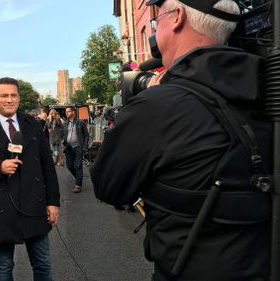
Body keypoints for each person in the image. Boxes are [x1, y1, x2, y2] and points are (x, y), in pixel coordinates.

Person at [91, 0, 271, 280]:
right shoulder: (265, 89)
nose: (154, 28)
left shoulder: (157, 107)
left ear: (177, 17)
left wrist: (148, 99)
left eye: (157, 18)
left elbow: (108, 186)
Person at [0, 77, 60, 281]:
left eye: (13, 95)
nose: (9, 100)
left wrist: (53, 202)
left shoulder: (32, 125)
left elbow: (47, 167)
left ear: (19, 97)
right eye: (4, 95)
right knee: (5, 266)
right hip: (1, 206)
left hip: (34, 204)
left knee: (42, 264)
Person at [62, 106, 90, 193]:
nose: (67, 113)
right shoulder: (65, 123)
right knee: (70, 166)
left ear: (73, 112)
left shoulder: (80, 122)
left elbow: (86, 135)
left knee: (78, 165)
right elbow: (63, 135)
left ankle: (78, 185)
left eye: (68, 111)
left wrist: (84, 146)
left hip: (78, 146)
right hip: (68, 147)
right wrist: (64, 142)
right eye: (66, 112)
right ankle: (78, 177)